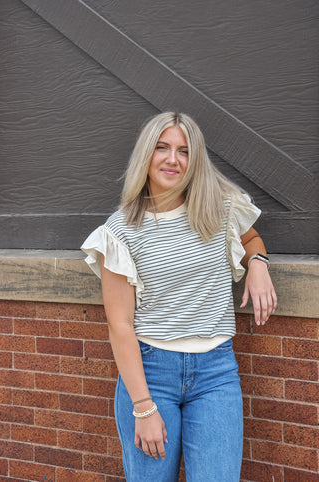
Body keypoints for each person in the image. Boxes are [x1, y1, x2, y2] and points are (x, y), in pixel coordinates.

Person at [81, 112, 277, 482]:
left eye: (185, 151)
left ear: (195, 161)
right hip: (151, 374)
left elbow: (250, 240)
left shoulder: (219, 208)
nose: (173, 159)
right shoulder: (120, 230)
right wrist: (142, 407)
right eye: (163, 148)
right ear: (146, 154)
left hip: (217, 374)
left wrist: (259, 264)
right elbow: (119, 325)